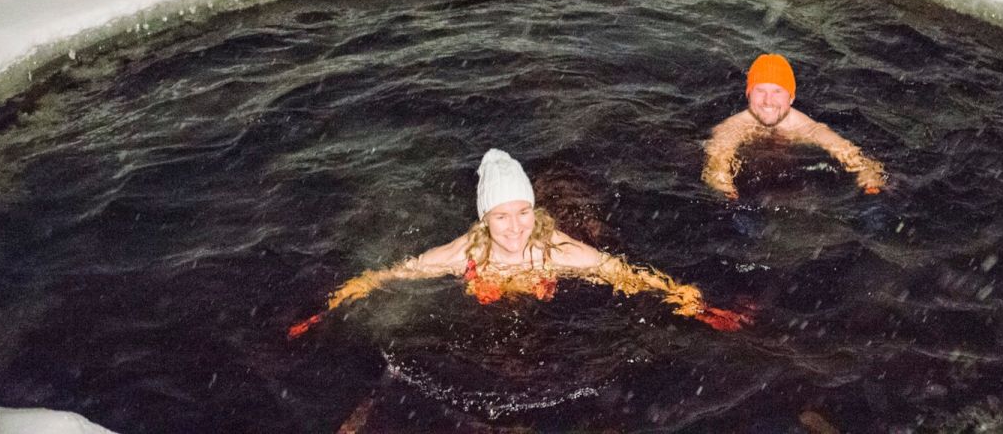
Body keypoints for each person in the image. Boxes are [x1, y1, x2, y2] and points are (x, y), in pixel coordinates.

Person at [290, 149, 747, 337]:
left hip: (547, 301)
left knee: (593, 229)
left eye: (523, 213)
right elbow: (385, 274)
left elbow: (629, 275)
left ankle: (561, 188)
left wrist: (696, 306)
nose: (514, 228)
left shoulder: (557, 251)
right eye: (501, 217)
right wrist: (326, 311)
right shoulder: (462, 254)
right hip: (495, 317)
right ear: (485, 220)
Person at [702, 53, 887, 200]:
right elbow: (717, 160)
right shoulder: (734, 126)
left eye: (777, 91)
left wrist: (869, 176)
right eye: (760, 91)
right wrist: (724, 187)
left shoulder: (805, 127)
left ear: (791, 97)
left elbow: (847, 151)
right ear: (748, 94)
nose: (768, 101)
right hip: (749, 180)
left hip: (791, 178)